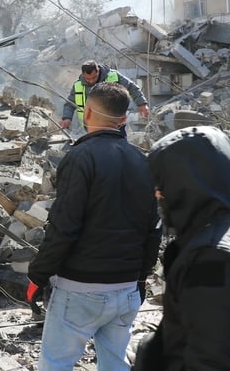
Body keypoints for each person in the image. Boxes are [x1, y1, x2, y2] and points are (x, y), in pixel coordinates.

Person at [27, 82, 161, 371]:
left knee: (55, 364)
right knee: (115, 364)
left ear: (85, 113)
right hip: (126, 290)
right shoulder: (143, 161)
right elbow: (154, 228)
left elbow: (64, 226)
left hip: (80, 288)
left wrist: (37, 275)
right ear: (124, 119)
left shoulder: (80, 158)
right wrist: (140, 279)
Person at [132, 126, 230, 370]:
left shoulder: (209, 258)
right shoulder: (213, 238)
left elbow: (209, 359)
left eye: (163, 184)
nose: (157, 195)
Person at [61, 60, 149, 130]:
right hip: (90, 126)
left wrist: (142, 104)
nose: (91, 81)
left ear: (98, 71)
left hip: (114, 124)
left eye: (94, 77)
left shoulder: (114, 76)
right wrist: (67, 118)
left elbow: (131, 87)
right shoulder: (78, 85)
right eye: (88, 79)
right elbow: (70, 103)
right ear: (83, 74)